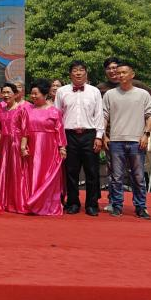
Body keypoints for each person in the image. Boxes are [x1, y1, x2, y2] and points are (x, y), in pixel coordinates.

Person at [102, 60, 151, 219]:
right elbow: (104, 116)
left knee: (138, 177)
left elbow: (150, 116)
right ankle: (116, 205)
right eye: (118, 73)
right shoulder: (110, 94)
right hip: (115, 140)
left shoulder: (143, 94)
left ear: (132, 74)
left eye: (124, 72)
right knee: (116, 177)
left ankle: (141, 207)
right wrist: (104, 135)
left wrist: (146, 134)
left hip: (136, 141)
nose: (120, 75)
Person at [54, 61, 105, 216]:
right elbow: (57, 116)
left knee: (92, 171)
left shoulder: (94, 91)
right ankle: (73, 203)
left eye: (81, 70)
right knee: (71, 171)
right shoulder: (61, 91)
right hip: (68, 135)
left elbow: (99, 115)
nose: (78, 73)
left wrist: (99, 137)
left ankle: (92, 204)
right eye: (75, 70)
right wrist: (59, 140)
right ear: (70, 74)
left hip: (89, 135)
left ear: (86, 73)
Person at [21, 80, 67, 216]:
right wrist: (23, 146)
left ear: (45, 94)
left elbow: (60, 131)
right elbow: (24, 130)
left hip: (50, 147)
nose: (33, 96)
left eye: (36, 94)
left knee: (49, 175)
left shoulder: (55, 111)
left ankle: (49, 204)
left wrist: (62, 148)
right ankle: (33, 203)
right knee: (34, 174)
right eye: (32, 93)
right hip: (33, 146)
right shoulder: (26, 110)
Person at [0, 82, 28, 213]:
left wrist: (23, 146)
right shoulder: (0, 109)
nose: (6, 95)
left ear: (15, 94)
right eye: (3, 92)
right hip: (4, 144)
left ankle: (18, 202)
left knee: (17, 172)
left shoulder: (21, 109)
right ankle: (4, 202)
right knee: (5, 172)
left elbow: (25, 130)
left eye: (8, 92)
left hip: (16, 143)